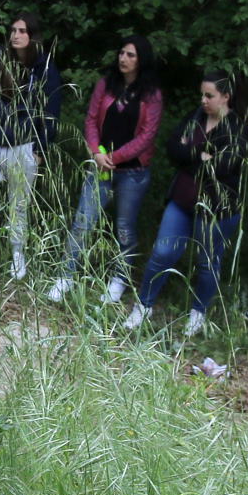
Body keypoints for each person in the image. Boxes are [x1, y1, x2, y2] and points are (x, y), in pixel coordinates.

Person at [121, 71, 248, 338]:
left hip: (216, 210)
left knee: (207, 262)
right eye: (202, 94)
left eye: (209, 95)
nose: (203, 100)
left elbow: (223, 167)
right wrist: (198, 156)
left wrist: (191, 155)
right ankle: (143, 306)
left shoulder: (237, 129)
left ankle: (198, 314)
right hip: (182, 201)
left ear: (226, 97)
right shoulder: (196, 116)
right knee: (162, 253)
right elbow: (171, 147)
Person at [48, 37, 162, 304]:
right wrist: (96, 152)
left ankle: (119, 279)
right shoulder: (105, 83)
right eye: (121, 53)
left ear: (141, 59)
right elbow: (90, 119)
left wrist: (115, 156)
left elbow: (148, 135)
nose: (124, 59)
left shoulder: (152, 94)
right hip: (100, 166)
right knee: (82, 221)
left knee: (124, 227)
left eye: (131, 55)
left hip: (132, 171)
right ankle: (66, 275)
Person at [0, 14, 64, 276]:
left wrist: (40, 148)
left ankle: (17, 251)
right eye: (13, 30)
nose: (15, 35)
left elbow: (51, 110)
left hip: (23, 143)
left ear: (32, 36)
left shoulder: (45, 67)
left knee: (19, 203)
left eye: (22, 31)